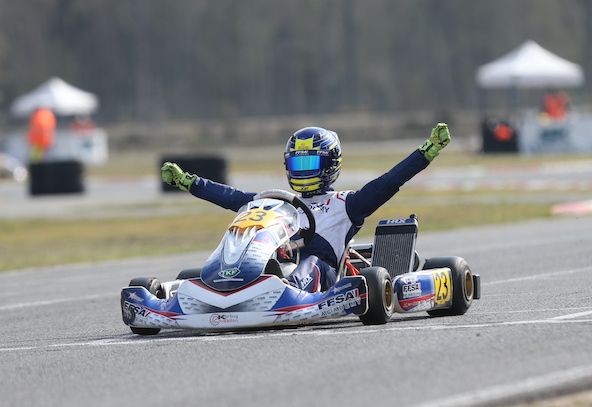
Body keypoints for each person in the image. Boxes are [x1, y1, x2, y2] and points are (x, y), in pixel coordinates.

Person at [161, 123, 450, 293]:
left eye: (310, 163)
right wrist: (190, 182)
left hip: (323, 274)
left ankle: (284, 290)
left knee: (309, 263)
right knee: (240, 250)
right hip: (278, 265)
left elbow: (387, 183)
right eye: (297, 163)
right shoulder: (276, 201)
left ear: (330, 165)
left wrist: (426, 153)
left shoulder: (346, 204)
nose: (303, 171)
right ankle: (227, 284)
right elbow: (230, 196)